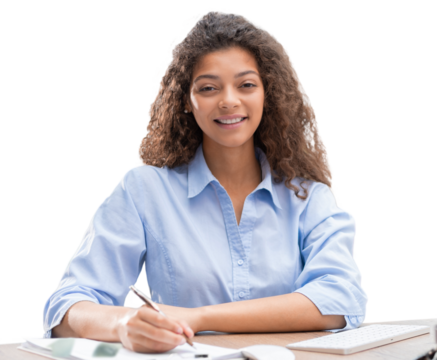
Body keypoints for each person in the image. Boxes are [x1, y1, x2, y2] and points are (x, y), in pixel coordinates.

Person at [41, 8, 369, 354]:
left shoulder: (308, 197)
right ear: (186, 99)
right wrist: (123, 324)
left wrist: (196, 317)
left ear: (266, 93)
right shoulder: (144, 190)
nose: (229, 101)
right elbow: (66, 305)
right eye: (209, 87)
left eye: (246, 85)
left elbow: (341, 298)